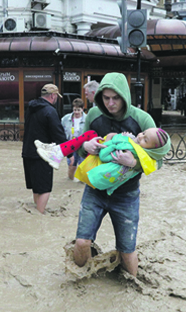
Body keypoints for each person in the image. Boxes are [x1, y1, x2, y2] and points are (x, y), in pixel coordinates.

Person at [71, 72, 170, 277]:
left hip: (126, 195)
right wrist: (85, 146)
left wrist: (134, 164)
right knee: (82, 242)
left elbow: (159, 159)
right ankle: (76, 283)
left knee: (127, 251)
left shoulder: (142, 119)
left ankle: (133, 287)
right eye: (106, 98)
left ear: (125, 96)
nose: (110, 103)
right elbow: (82, 146)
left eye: (115, 98)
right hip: (95, 189)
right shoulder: (93, 115)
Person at [35, 126, 169, 194]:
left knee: (89, 134)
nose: (140, 137)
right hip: (98, 164)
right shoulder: (137, 146)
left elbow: (158, 161)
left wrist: (112, 140)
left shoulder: (134, 150)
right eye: (143, 133)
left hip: (99, 164)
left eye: (145, 140)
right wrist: (86, 146)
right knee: (88, 136)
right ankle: (58, 150)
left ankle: (58, 151)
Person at [21, 84, 68, 214]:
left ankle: (37, 210)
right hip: (42, 155)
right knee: (45, 188)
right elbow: (58, 134)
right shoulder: (50, 111)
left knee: (36, 187)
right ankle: (39, 216)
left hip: (27, 153)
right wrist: (69, 152)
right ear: (53, 96)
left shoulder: (30, 108)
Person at [60, 98, 87, 181]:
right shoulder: (65, 119)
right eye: (75, 110)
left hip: (82, 145)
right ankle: (70, 179)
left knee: (83, 164)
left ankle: (83, 180)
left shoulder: (87, 119)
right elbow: (60, 130)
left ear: (82, 109)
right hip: (70, 144)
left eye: (78, 110)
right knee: (71, 164)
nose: (76, 112)